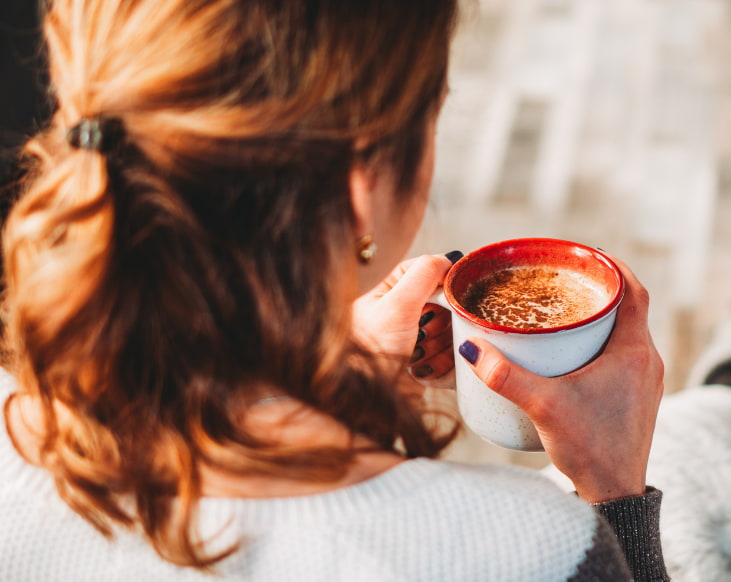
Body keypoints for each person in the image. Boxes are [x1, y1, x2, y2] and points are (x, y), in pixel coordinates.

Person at [0, 1, 670, 580]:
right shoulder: (527, 546)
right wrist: (614, 494)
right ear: (362, 185)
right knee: (703, 439)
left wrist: (326, 383)